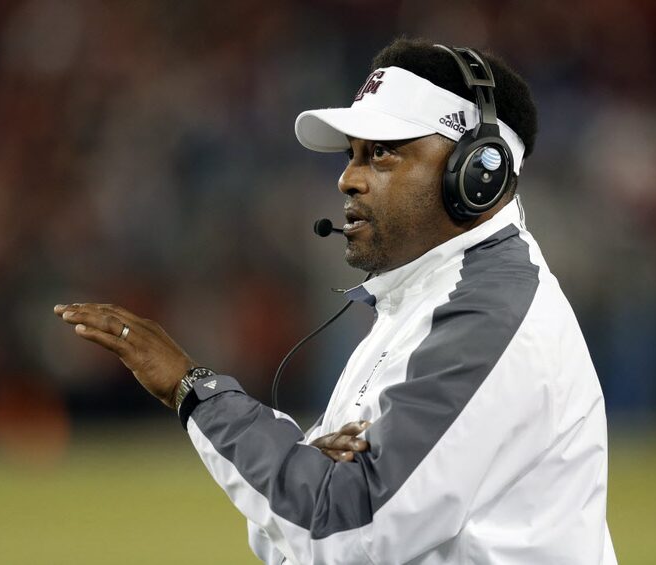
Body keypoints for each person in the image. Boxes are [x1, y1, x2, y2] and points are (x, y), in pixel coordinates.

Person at [55, 37, 617, 564]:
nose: (347, 178)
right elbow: (295, 531)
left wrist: (194, 391)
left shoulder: (488, 321)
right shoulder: (426, 298)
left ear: (478, 173)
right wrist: (301, 471)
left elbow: (341, 528)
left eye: (381, 155)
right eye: (352, 154)